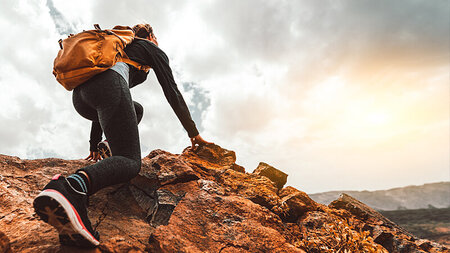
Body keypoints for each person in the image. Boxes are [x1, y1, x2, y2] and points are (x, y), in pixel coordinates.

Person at [33, 24, 211, 248]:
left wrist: (94, 144)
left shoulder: (121, 47)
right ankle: (71, 188)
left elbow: (103, 99)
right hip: (108, 87)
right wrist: (192, 131)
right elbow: (171, 90)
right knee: (129, 161)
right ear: (152, 36)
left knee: (136, 109)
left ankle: (107, 146)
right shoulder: (150, 48)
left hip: (81, 97)